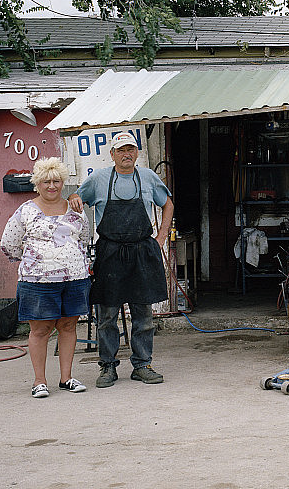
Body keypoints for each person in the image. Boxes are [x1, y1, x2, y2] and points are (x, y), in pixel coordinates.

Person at [69, 131, 173, 388]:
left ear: (136, 152)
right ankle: (107, 367)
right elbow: (77, 200)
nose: (126, 154)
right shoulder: (99, 178)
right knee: (107, 315)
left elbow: (168, 204)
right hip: (111, 252)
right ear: (112, 154)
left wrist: (160, 237)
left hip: (142, 252)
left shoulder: (148, 177)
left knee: (143, 314)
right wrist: (73, 196)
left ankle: (142, 364)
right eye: (121, 150)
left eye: (131, 149)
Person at [1, 157, 91, 398]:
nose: (52, 186)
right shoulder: (26, 211)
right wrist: (37, 260)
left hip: (74, 279)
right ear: (37, 184)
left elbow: (84, 239)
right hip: (37, 282)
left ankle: (67, 378)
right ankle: (39, 381)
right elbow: (9, 244)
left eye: (57, 181)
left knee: (68, 325)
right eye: (46, 181)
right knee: (40, 330)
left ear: (63, 183)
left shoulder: (76, 211)